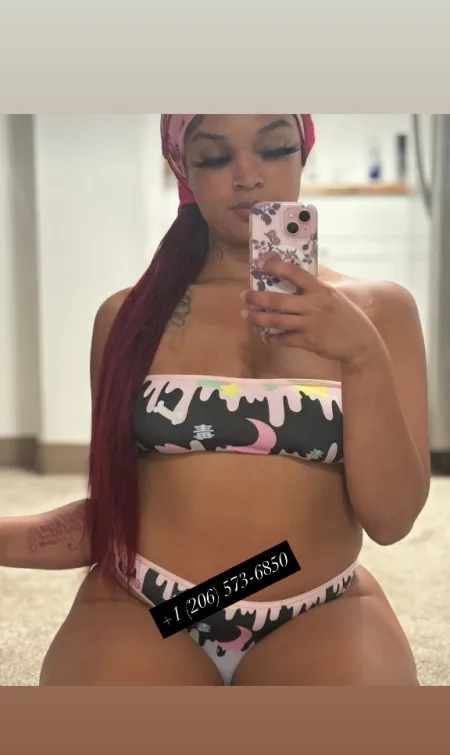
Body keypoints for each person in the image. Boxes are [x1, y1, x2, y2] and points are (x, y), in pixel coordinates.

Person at [0, 114, 430, 686]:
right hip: (153, 604)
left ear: (303, 153)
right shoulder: (130, 318)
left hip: (317, 606)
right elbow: (115, 511)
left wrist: (363, 356)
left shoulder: (380, 312)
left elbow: (392, 520)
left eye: (274, 148)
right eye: (215, 157)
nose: (248, 175)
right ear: (185, 170)